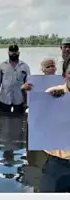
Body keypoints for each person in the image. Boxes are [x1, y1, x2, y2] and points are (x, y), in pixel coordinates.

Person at [39, 57, 70, 192]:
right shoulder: (51, 94)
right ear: (64, 75)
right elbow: (35, 125)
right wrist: (48, 104)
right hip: (57, 164)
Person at [0, 44, 30, 114]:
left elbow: (28, 84)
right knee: (3, 122)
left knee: (19, 122)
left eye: (15, 51)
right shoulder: (2, 65)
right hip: (4, 99)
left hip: (20, 100)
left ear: (18, 53)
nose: (14, 53)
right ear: (8, 53)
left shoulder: (25, 66)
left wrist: (27, 101)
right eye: (11, 51)